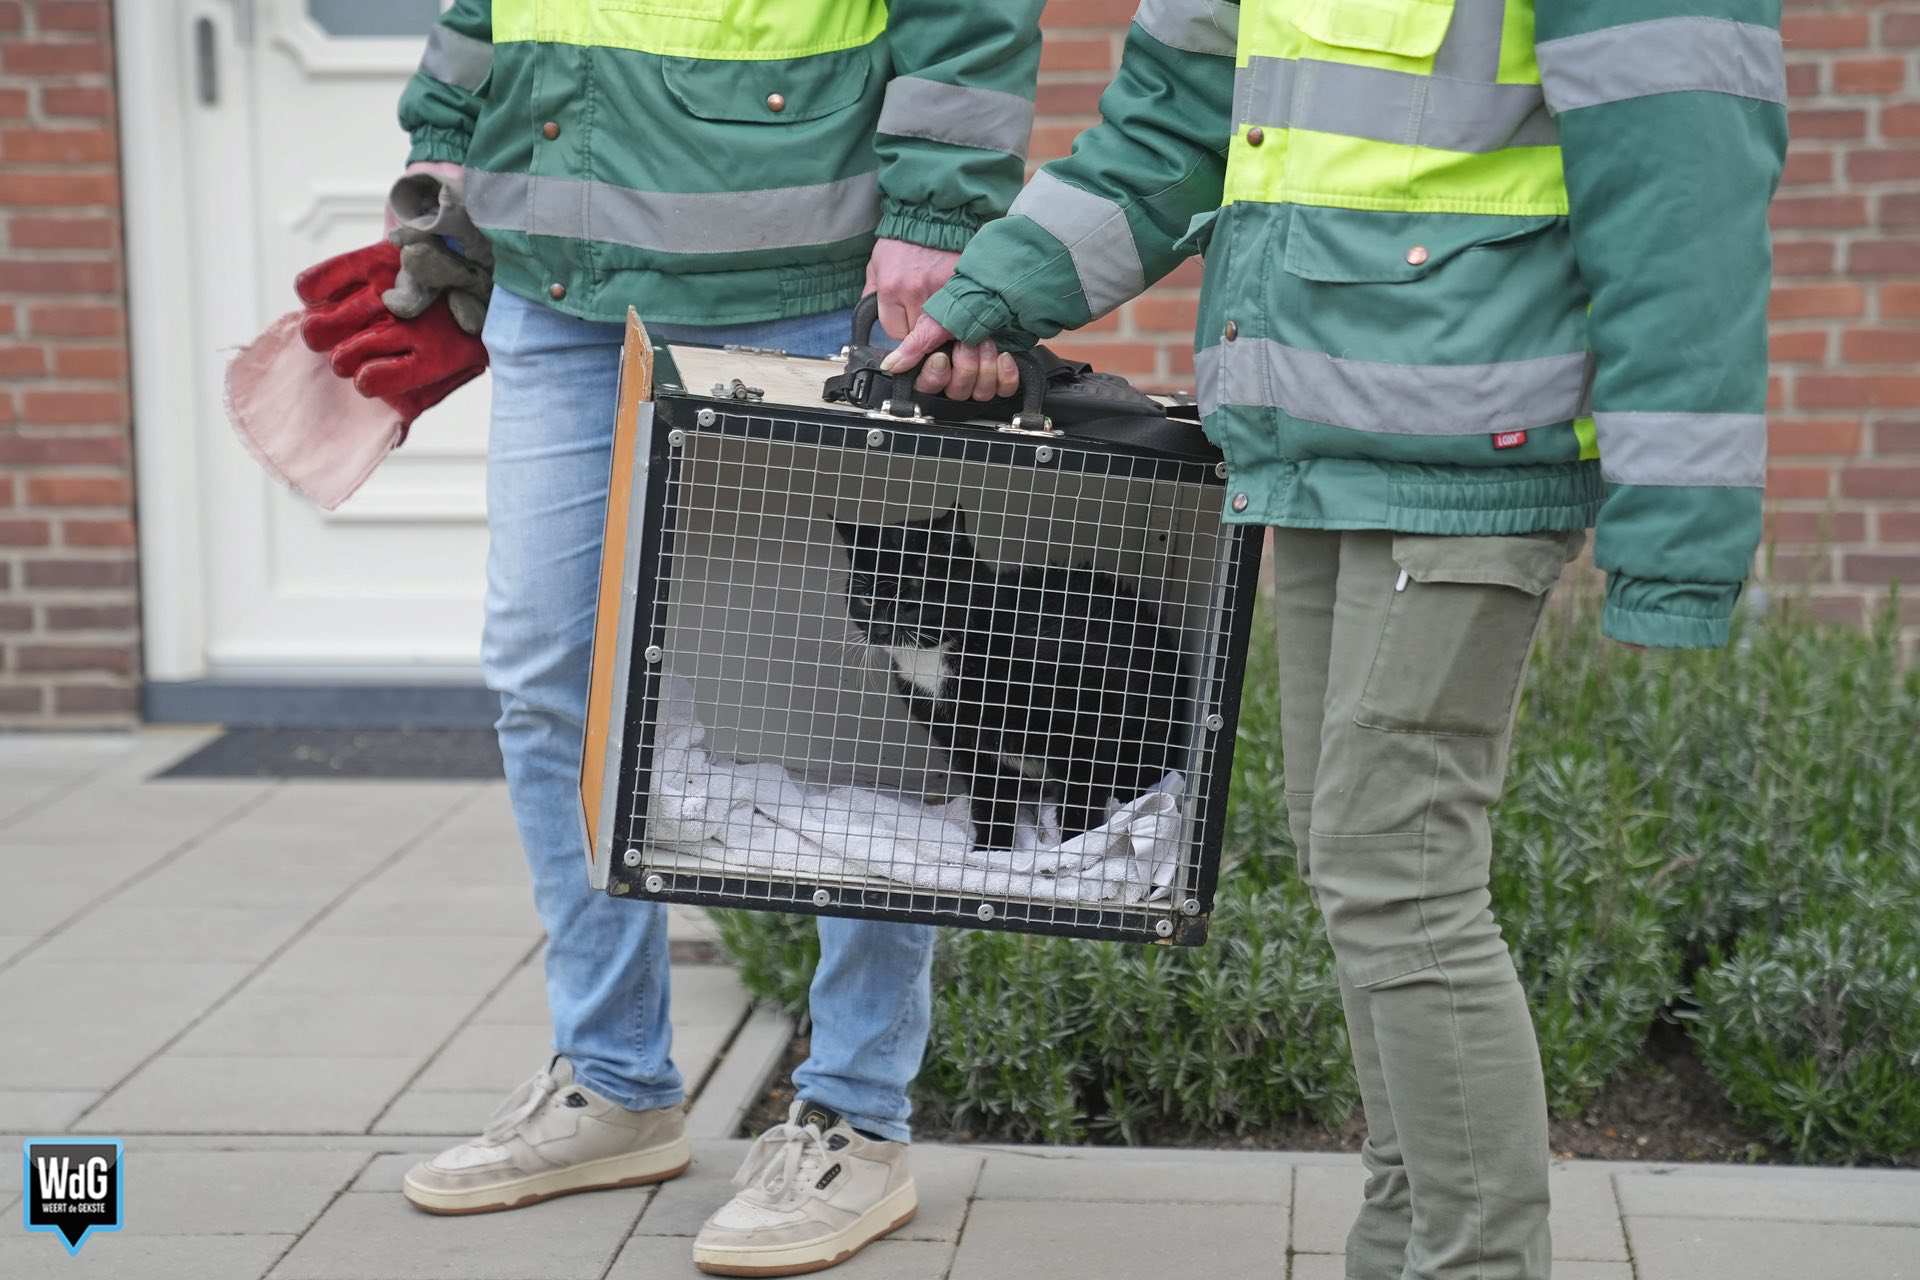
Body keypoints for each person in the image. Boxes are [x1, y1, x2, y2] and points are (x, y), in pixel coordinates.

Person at [885, 2, 1785, 1276]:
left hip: (1482, 449)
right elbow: (1170, 126)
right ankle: (1398, 1244)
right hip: (1312, 444)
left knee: (1395, 867)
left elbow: (1683, 203)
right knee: (1351, 859)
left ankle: (1479, 1262)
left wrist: (1677, 536)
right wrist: (993, 295)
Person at [387, 3, 1043, 1274]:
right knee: (545, 674)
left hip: (794, 261)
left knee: (850, 692)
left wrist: (944, 218)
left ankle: (855, 1108)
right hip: (555, 274)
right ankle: (614, 1078)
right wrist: (445, 140)